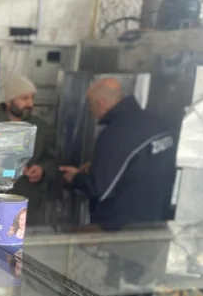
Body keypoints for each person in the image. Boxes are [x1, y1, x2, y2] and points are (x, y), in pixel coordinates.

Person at [59, 78, 176, 230]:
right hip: (155, 221)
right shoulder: (156, 123)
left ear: (101, 103)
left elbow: (99, 190)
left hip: (123, 230)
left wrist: (75, 178)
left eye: (91, 106)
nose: (93, 113)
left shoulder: (115, 133)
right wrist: (99, 165)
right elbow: (138, 164)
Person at [0, 75, 57, 224]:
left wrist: (42, 169)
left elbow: (51, 158)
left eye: (32, 98)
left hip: (27, 204)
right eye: (24, 98)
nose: (30, 103)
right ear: (9, 101)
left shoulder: (40, 127)